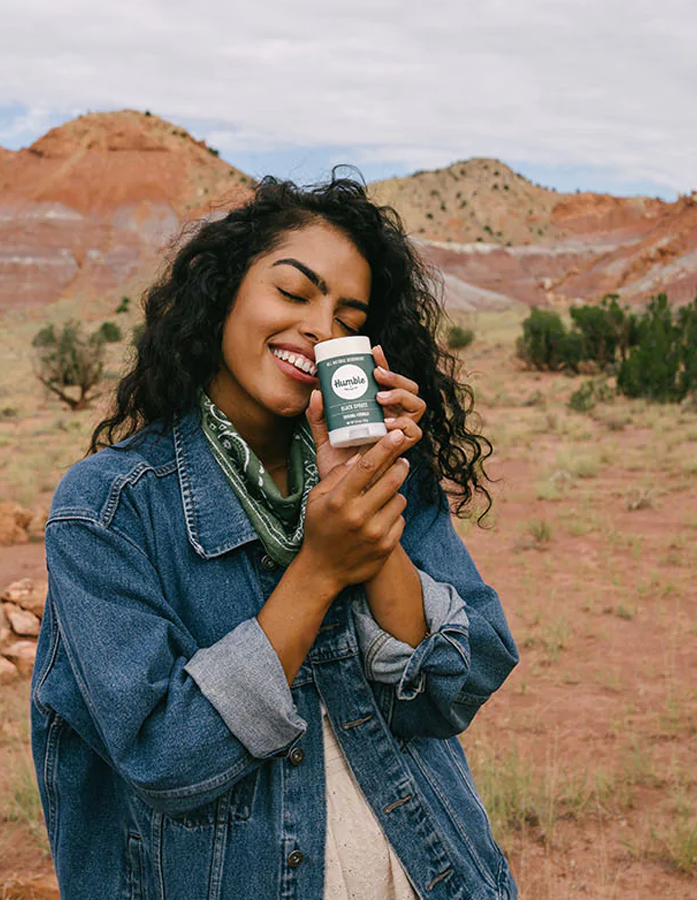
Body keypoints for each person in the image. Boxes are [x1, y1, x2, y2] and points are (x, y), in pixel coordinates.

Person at [31, 174, 519, 900]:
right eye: (294, 294)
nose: (324, 328)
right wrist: (319, 570)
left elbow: (456, 688)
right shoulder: (109, 509)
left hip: (430, 876)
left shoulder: (385, 474)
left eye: (349, 316)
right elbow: (166, 758)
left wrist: (370, 499)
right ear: (223, 292)